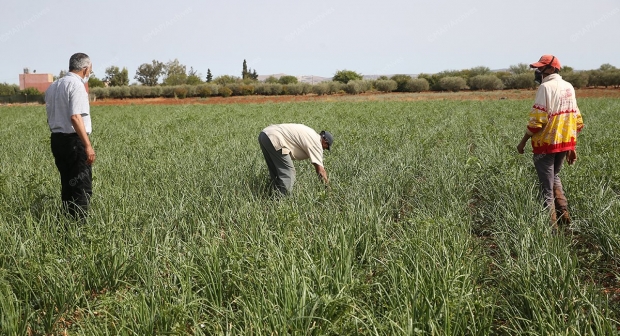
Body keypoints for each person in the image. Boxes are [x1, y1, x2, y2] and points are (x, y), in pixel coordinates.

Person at [516, 54, 584, 227]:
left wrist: (523, 141)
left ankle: (551, 228)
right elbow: (576, 119)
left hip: (546, 144)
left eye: (541, 68)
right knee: (555, 177)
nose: (538, 72)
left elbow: (538, 120)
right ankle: (564, 213)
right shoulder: (569, 86)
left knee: (546, 186)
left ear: (552, 69)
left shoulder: (545, 88)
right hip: (564, 143)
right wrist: (571, 145)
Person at [45, 53, 96, 219]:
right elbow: (75, 117)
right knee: (81, 188)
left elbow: (50, 117)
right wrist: (87, 145)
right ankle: (79, 232)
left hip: (57, 140)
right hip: (74, 141)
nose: (90, 73)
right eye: (90, 70)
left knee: (67, 185)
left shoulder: (53, 86)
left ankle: (67, 224)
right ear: (85, 68)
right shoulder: (76, 85)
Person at [258, 124, 333, 195]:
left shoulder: (312, 134)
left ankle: (274, 196)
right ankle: (283, 202)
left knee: (276, 171)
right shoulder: (316, 143)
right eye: (326, 147)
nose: (324, 149)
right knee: (289, 172)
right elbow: (321, 171)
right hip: (275, 137)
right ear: (325, 141)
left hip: (265, 135)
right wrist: (328, 189)